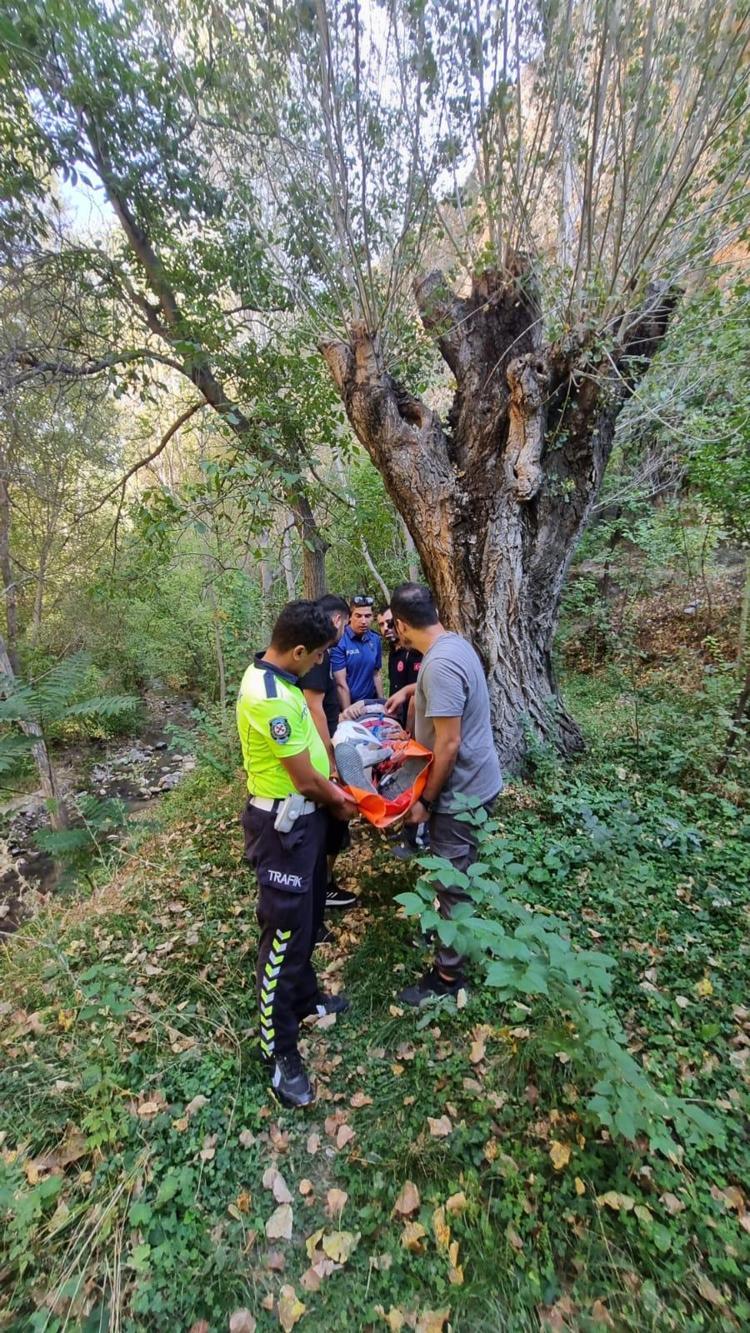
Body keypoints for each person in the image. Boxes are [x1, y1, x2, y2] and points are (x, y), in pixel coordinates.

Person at [237, 600, 356, 1108]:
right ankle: (278, 1047)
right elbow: (303, 778)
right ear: (299, 650)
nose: (319, 667)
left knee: (306, 920)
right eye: (318, 656)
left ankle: (306, 999)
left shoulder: (281, 679)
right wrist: (341, 800)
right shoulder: (268, 696)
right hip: (282, 826)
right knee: (282, 936)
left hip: (304, 821)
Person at [386, 583, 502, 1005]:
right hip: (477, 782)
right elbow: (446, 695)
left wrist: (426, 802)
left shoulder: (438, 665)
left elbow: (448, 743)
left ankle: (449, 975)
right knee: (459, 869)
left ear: (400, 624)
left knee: (451, 878)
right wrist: (409, 690)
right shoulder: (452, 645)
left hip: (461, 791)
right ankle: (455, 935)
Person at [298, 593, 358, 918]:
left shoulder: (315, 650)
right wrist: (331, 762)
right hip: (322, 760)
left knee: (334, 825)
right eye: (346, 623)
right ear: (337, 621)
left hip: (324, 752)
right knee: (330, 823)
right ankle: (320, 890)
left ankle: (324, 883)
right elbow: (314, 708)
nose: (346, 630)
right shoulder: (317, 655)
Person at [331, 595, 384, 711]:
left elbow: (376, 674)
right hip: (349, 705)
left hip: (370, 704)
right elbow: (341, 684)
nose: (363, 621)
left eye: (367, 616)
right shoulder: (340, 641)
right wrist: (347, 713)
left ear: (373, 617)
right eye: (358, 616)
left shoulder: (375, 639)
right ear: (350, 617)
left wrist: (382, 704)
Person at [377, 606, 422, 730]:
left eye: (389, 622)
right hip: (397, 717)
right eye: (381, 624)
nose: (386, 628)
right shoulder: (393, 652)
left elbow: (415, 696)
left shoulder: (413, 651)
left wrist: (408, 730)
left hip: (414, 722)